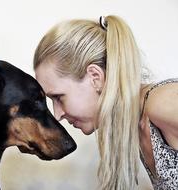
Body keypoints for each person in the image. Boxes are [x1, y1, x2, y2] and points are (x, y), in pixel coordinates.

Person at [33, 15, 178, 190]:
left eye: (58, 97)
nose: (58, 114)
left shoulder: (163, 104)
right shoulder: (137, 124)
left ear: (95, 77)